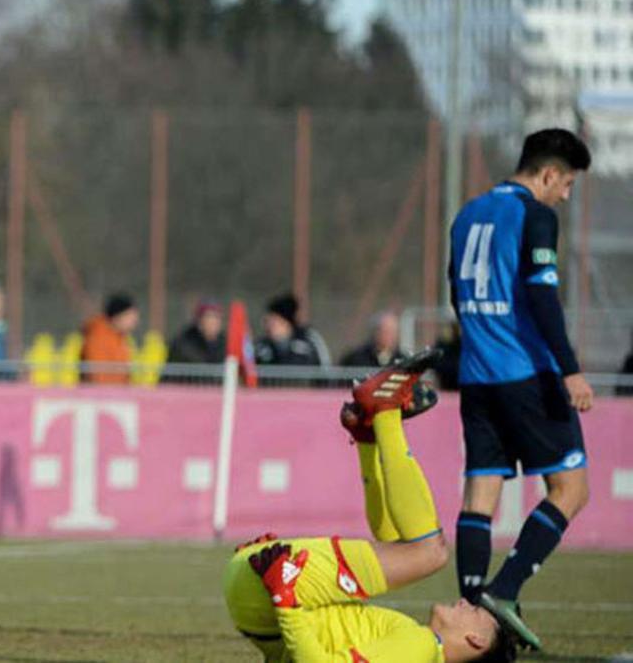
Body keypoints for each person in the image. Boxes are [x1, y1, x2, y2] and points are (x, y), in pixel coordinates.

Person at [223, 351, 517, 662]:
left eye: (475, 611)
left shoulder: (421, 647)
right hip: (259, 596)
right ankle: (368, 436)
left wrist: (285, 601)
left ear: (476, 639)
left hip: (278, 588)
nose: (466, 602)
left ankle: (385, 411)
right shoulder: (419, 644)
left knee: (432, 553)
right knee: (399, 546)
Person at [447, 128, 593, 650]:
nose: (566, 195)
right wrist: (570, 368)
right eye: (568, 183)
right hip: (526, 374)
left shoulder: (467, 215)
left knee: (481, 491)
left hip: (477, 377)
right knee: (572, 490)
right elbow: (541, 297)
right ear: (548, 173)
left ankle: (469, 618)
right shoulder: (535, 215)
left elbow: (455, 295)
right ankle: (503, 592)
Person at [253, 293, 329, 367]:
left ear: (287, 323)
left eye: (274, 322)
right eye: (267, 322)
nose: (269, 327)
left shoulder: (309, 339)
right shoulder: (262, 346)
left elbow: (325, 368)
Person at [80, 293, 139, 384]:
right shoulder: (98, 337)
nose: (134, 322)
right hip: (104, 395)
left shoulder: (119, 338)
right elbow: (99, 377)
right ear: (118, 317)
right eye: (130, 317)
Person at [167, 300, 225, 365]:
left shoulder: (225, 345)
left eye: (216, 317)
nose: (213, 322)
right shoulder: (183, 344)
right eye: (209, 317)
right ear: (199, 321)